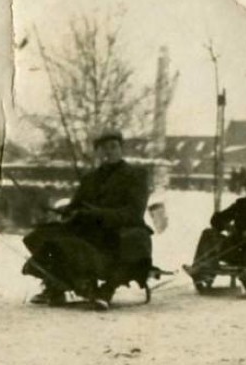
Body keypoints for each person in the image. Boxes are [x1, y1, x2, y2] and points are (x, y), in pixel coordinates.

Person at [22, 132, 153, 310]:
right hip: (89, 228)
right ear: (97, 152)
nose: (108, 152)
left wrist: (99, 214)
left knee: (128, 242)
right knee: (41, 236)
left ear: (121, 149)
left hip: (121, 229)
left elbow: (134, 211)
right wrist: (66, 210)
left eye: (113, 147)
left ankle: (106, 290)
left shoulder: (136, 175)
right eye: (103, 148)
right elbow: (78, 205)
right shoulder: (90, 178)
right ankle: (61, 283)